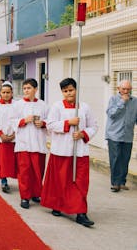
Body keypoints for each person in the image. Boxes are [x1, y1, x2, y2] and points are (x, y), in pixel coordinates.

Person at [42, 78, 98, 227]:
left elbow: (94, 126)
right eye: (65, 91)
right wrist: (68, 123)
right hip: (61, 150)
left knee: (80, 182)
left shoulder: (85, 108)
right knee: (60, 181)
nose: (69, 93)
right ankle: (58, 204)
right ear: (62, 92)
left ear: (76, 90)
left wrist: (83, 134)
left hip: (80, 152)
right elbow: (50, 125)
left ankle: (81, 212)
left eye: (71, 90)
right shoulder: (57, 107)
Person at [12, 78, 48, 209]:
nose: (26, 91)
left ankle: (36, 193)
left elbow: (51, 121)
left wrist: (43, 123)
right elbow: (12, 121)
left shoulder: (43, 105)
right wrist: (23, 120)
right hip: (24, 143)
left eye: (29, 88)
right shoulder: (18, 105)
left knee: (38, 171)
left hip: (38, 142)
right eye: (25, 88)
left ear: (36, 89)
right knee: (25, 171)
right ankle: (25, 196)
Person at [105, 79, 137, 192]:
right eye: (123, 89)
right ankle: (115, 183)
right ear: (118, 89)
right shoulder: (113, 99)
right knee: (115, 159)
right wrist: (122, 102)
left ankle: (122, 182)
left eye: (128, 89)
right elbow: (111, 114)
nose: (126, 91)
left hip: (128, 135)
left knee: (125, 159)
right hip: (114, 135)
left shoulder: (135, 101)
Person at [0, 82, 17, 193]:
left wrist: (14, 135)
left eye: (8, 92)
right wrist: (1, 135)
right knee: (2, 161)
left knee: (14, 161)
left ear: (12, 93)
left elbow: (18, 120)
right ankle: (3, 181)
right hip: (0, 139)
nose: (6, 95)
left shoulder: (16, 105)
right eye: (4, 92)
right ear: (0, 93)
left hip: (14, 138)